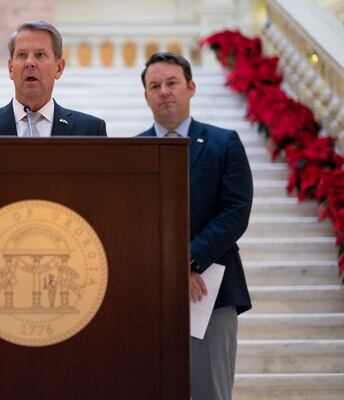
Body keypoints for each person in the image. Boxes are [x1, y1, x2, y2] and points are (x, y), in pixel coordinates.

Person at [137, 52, 253, 400]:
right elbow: (131, 223)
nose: (164, 91)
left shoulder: (224, 143)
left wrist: (187, 261)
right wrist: (167, 268)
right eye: (155, 86)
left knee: (209, 392)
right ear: (146, 96)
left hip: (211, 291)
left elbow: (235, 212)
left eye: (172, 83)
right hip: (149, 294)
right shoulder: (132, 152)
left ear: (190, 87)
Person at [0, 20, 107, 137]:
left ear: (59, 68)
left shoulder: (90, 130)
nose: (29, 63)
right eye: (22, 55)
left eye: (40, 55)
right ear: (10, 68)